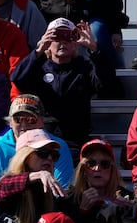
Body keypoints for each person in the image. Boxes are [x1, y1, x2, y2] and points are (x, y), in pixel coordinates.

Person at [11, 17, 104, 147]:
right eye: (56, 38)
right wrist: (39, 50)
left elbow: (107, 86)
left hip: (75, 140)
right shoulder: (39, 67)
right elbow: (17, 79)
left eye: (68, 37)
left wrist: (95, 50)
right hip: (42, 139)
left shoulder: (84, 67)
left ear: (75, 42)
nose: (62, 43)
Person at [0, 94, 74, 205]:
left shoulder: (57, 146)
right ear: (10, 122)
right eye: (18, 119)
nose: (24, 125)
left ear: (42, 121)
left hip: (46, 206)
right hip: (8, 207)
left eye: (31, 119)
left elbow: (63, 188)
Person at [0, 129, 65, 223]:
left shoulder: (47, 192)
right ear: (25, 156)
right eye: (42, 153)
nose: (50, 158)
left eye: (54, 155)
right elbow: (4, 187)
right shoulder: (6, 184)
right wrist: (35, 176)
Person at [65, 138, 127, 223]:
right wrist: (82, 211)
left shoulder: (125, 197)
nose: (97, 168)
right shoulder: (70, 199)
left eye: (104, 164)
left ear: (112, 169)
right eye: (91, 163)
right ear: (83, 170)